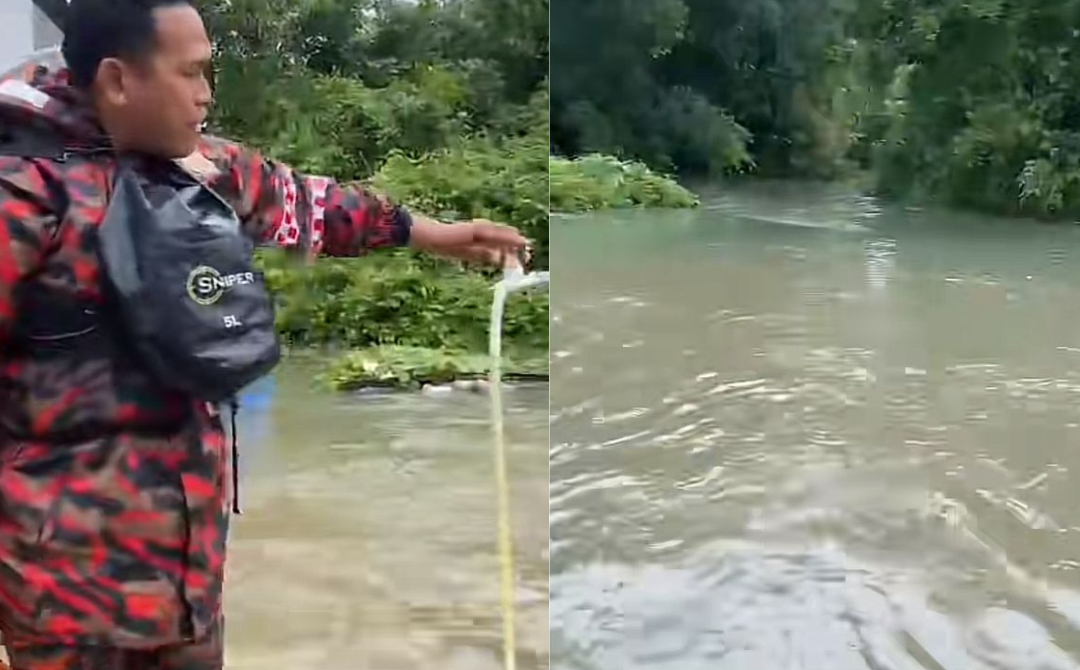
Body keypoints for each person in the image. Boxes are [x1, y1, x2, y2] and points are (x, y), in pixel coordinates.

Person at [0, 0, 531, 668]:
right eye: (190, 74)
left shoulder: (200, 169)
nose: (205, 96)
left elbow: (311, 204)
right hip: (67, 603)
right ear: (116, 80)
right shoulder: (23, 193)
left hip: (189, 589)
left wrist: (435, 235)